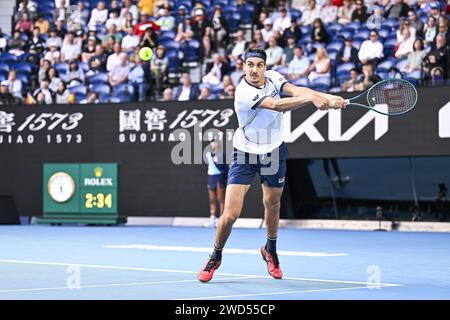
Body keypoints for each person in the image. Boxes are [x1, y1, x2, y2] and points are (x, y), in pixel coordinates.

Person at [197, 48, 346, 282]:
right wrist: (312, 99)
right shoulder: (243, 92)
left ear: (265, 67)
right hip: (245, 152)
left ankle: (270, 251)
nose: (254, 69)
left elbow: (299, 90)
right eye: (250, 64)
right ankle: (215, 255)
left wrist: (325, 97)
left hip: (274, 151)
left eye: (259, 65)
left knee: (273, 203)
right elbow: (277, 106)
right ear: (243, 66)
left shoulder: (275, 78)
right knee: (230, 214)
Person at [204, 139, 228, 228]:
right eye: (211, 142)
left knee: (220, 199)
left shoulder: (221, 154)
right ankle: (212, 220)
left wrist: (225, 178)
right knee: (212, 200)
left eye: (215, 142)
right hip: (211, 177)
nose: (213, 143)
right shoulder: (208, 154)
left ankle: (221, 220)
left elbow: (225, 167)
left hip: (219, 177)